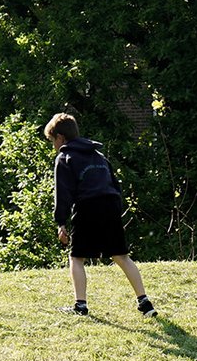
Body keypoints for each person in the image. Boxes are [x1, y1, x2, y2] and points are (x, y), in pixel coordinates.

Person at [45, 113, 157, 318]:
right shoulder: (98, 156)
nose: (53, 145)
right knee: (121, 256)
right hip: (111, 205)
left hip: (87, 206)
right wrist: (115, 209)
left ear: (60, 137)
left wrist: (61, 222)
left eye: (52, 141)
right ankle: (144, 302)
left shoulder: (64, 157)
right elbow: (115, 184)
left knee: (77, 257)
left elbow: (63, 193)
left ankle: (80, 306)